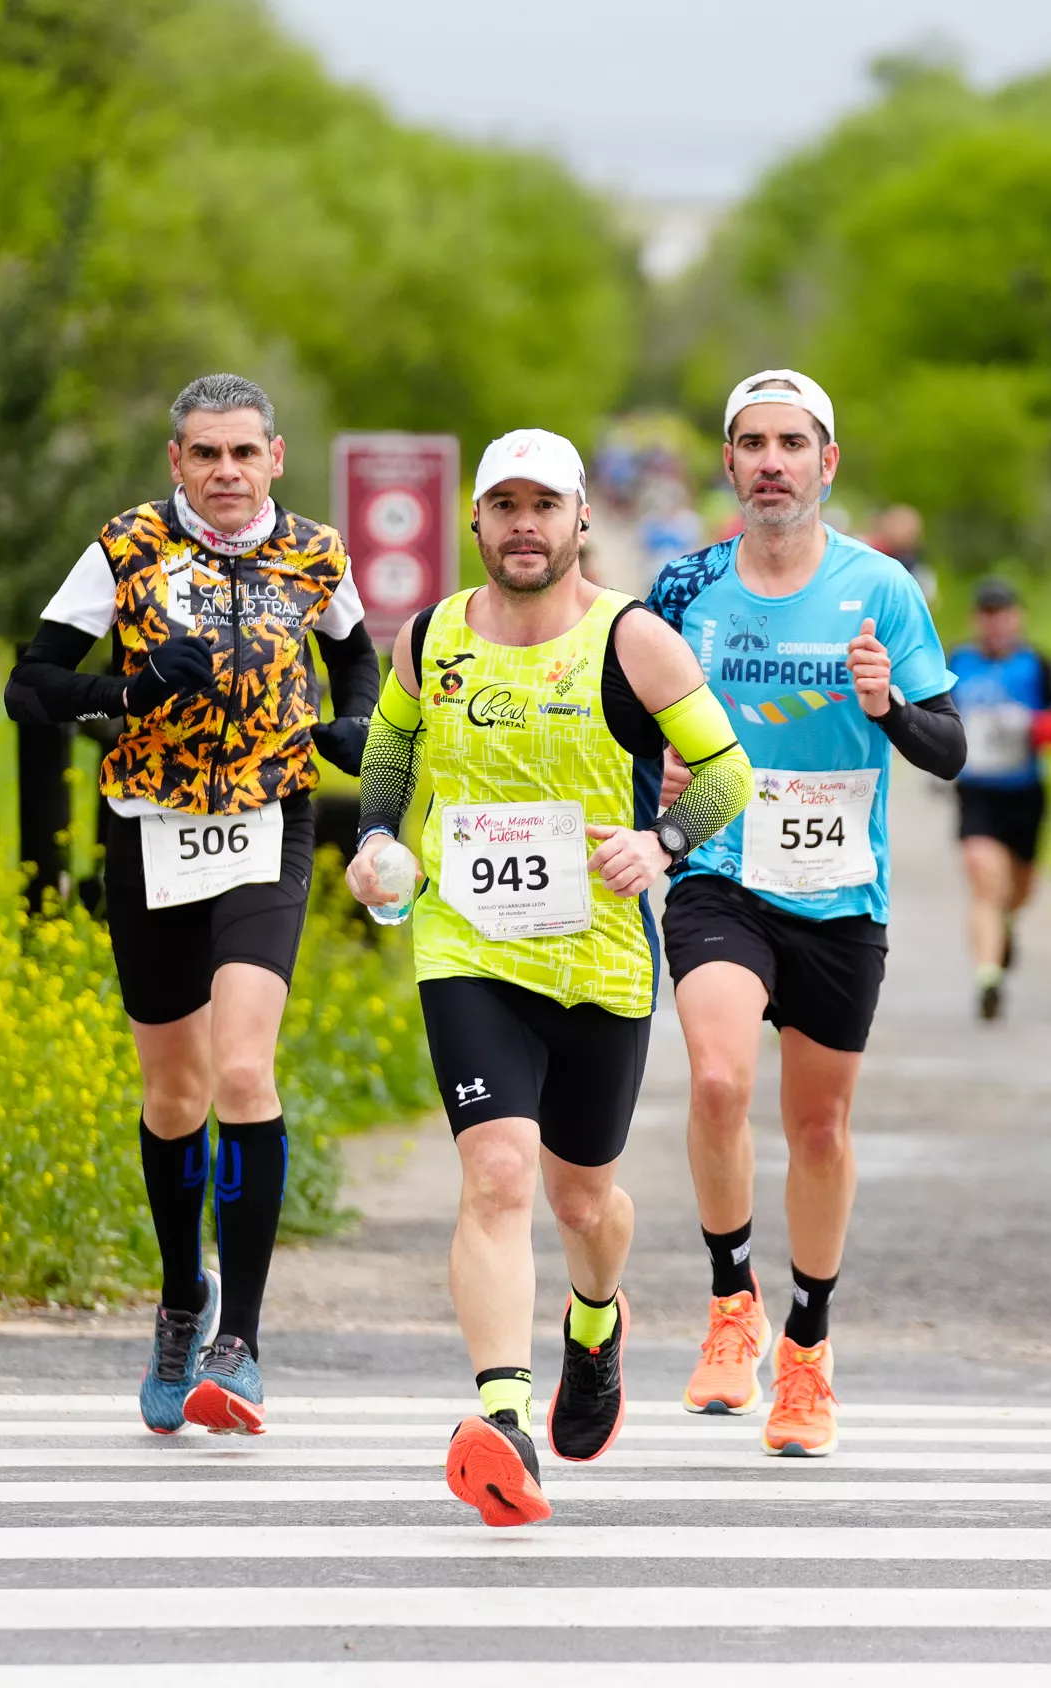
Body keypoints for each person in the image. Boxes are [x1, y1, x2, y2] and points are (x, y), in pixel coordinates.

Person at [345, 428, 753, 1527]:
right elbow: (391, 747)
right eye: (504, 505)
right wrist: (378, 834)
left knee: (584, 1199)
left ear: (582, 521)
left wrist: (662, 844)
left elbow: (727, 770)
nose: (524, 525)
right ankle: (503, 1415)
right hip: (468, 945)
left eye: (545, 506)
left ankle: (596, 1313)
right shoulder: (430, 636)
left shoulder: (633, 639)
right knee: (495, 1176)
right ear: (475, 522)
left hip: (600, 956)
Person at [4, 374, 379, 1437]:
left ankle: (241, 1342)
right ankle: (181, 1298)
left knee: (245, 1068)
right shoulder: (122, 550)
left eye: (242, 453)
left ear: (275, 455)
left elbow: (357, 658)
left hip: (268, 825)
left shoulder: (314, 553)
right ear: (177, 461)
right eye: (204, 454)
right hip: (150, 831)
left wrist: (351, 723)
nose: (224, 471)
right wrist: (124, 689)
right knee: (174, 1095)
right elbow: (28, 686)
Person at [645, 371, 968, 1456]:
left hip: (837, 888)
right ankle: (732, 1298)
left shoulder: (882, 590)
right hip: (717, 866)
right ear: (727, 465)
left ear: (828, 462)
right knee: (721, 1076)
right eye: (752, 442)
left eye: (793, 442)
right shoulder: (685, 585)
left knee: (820, 1126)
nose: (772, 460)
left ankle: (809, 1346)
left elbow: (949, 749)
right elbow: (623, 709)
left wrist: (887, 706)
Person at [945, 576, 1051, 1021]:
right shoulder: (955, 663)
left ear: (1016, 617)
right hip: (976, 790)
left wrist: (1029, 725)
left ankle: (1005, 925)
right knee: (984, 879)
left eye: (1003, 614)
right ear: (976, 620)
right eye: (987, 615)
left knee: (1018, 891)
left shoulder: (1039, 666)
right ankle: (988, 977)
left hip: (1025, 792)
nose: (996, 624)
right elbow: (928, 715)